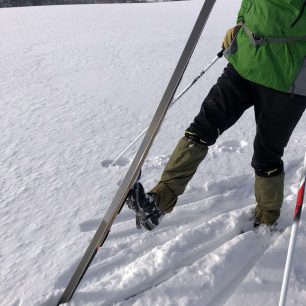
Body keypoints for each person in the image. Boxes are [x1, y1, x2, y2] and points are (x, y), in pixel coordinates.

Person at [126, 0, 306, 231]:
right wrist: (240, 24)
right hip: (244, 62)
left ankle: (266, 218)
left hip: (286, 81)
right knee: (202, 127)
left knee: (266, 155)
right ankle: (160, 200)